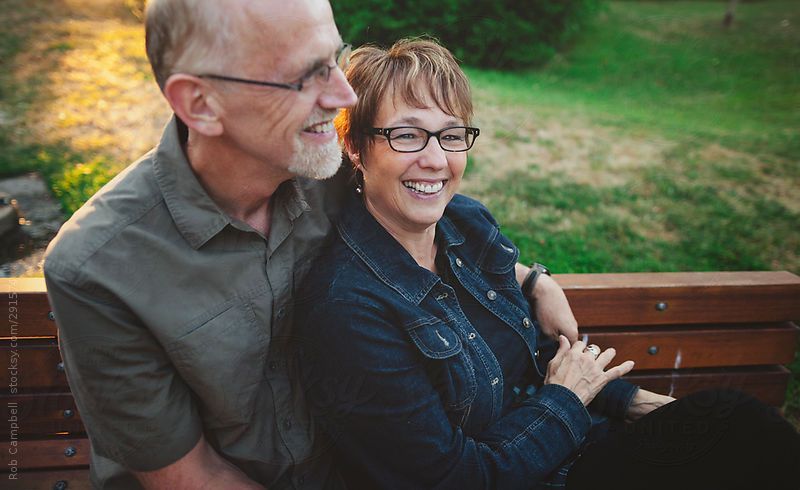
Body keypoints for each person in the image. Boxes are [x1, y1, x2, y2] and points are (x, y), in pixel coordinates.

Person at [42, 2, 578, 489]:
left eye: (334, 60)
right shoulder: (98, 269)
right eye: (304, 75)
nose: (344, 96)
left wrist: (530, 278)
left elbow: (432, 207)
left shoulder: (327, 159)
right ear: (200, 102)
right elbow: (189, 476)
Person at [296, 38, 800, 489]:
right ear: (356, 147)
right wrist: (564, 401)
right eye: (407, 136)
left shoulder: (464, 226)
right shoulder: (347, 308)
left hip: (575, 447)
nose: (436, 159)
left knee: (735, 426)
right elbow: (452, 477)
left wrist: (629, 401)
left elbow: (534, 356)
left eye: (451, 135)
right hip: (545, 474)